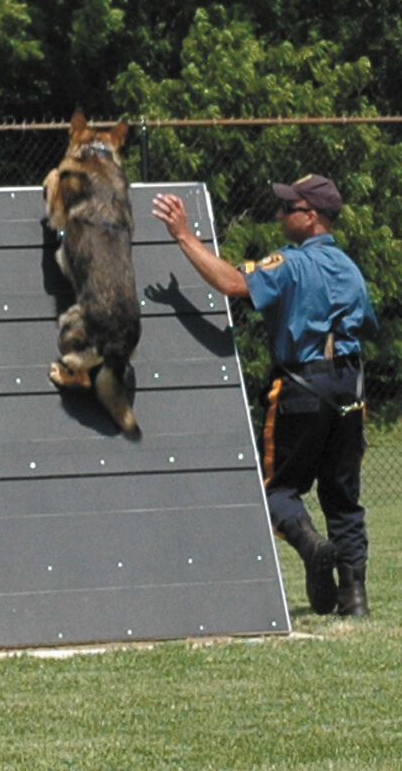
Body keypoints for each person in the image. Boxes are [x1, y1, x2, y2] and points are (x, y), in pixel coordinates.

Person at [152, 174, 378, 617]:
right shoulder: (350, 269)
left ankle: (311, 546)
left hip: (302, 386)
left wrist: (183, 235)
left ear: (310, 217)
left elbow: (233, 283)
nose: (279, 214)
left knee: (276, 488)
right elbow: (367, 325)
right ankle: (355, 599)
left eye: (288, 208)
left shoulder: (291, 264)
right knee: (343, 495)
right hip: (351, 386)